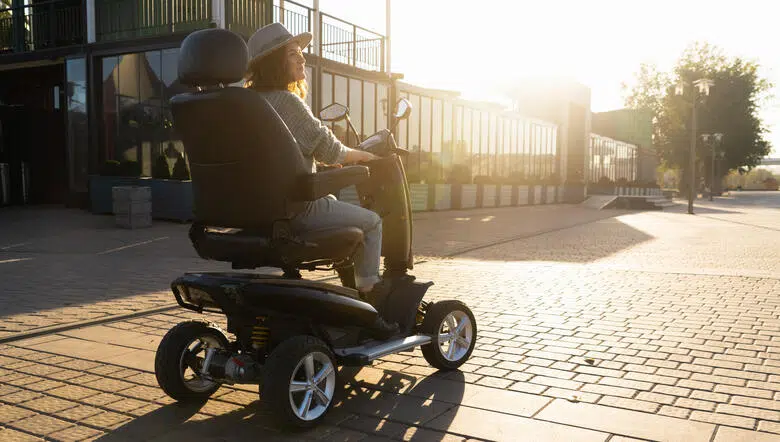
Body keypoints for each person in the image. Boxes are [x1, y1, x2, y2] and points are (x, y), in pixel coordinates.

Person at [244, 23, 397, 337]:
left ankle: (347, 300)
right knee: (371, 222)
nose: (302, 60)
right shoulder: (286, 102)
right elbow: (331, 150)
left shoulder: (245, 105)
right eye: (293, 54)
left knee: (338, 213)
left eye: (301, 53)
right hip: (297, 210)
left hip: (255, 212)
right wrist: (368, 156)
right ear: (274, 62)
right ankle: (371, 303)